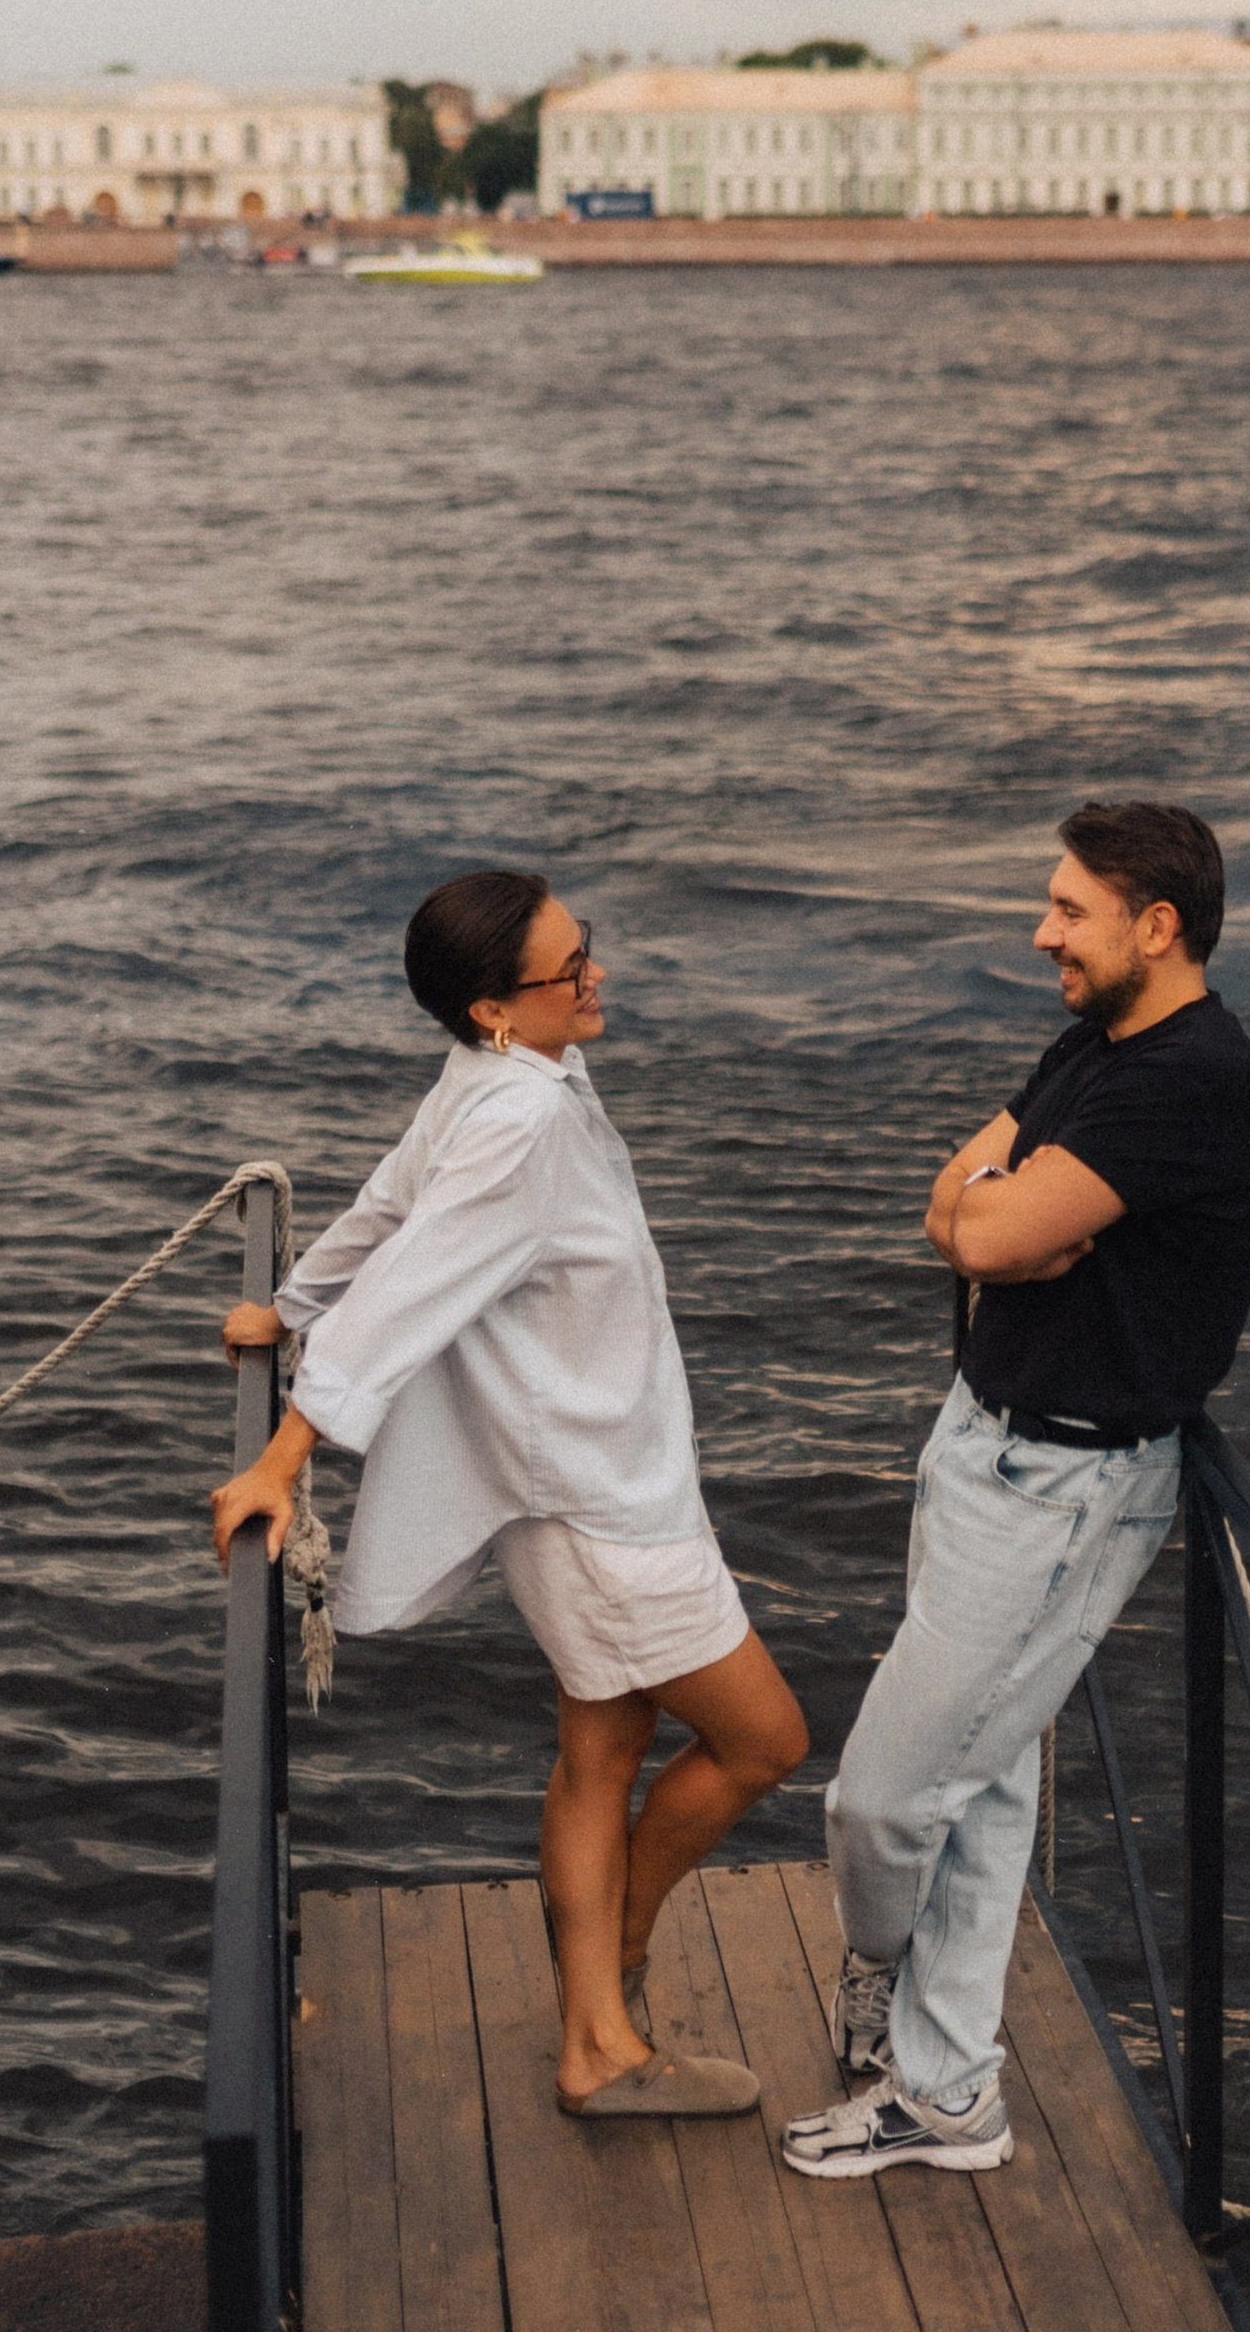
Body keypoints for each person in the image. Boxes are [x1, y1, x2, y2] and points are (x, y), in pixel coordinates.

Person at [211, 870, 806, 2117]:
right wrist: (282, 1457)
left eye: (587, 948)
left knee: (604, 1747)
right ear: (493, 1007)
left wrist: (290, 1303)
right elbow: (416, 1276)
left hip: (591, 1477)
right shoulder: (517, 1116)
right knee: (763, 1742)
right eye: (567, 969)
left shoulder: (502, 1076)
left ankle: (596, 2040)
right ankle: (621, 1958)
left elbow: (389, 1197)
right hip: (599, 1504)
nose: (597, 976)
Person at [783, 799, 1250, 2182]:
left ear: (1155, 926)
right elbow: (953, 1206)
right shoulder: (1099, 1044)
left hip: (1067, 1485)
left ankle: (881, 1980)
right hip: (986, 1441)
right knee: (984, 1775)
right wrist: (994, 1231)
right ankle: (950, 2094)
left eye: (1069, 909)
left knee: (882, 1800)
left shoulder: (1191, 1080)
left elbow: (987, 1223)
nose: (1042, 930)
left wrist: (999, 1229)